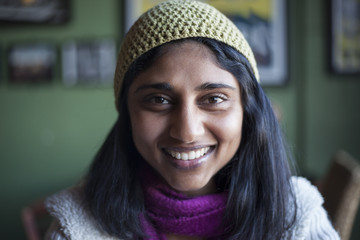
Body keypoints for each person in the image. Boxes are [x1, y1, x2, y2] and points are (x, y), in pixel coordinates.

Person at [45, 0, 340, 239]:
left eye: (213, 99)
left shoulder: (297, 217)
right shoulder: (78, 225)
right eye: (159, 100)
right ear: (127, 111)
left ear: (247, 110)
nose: (187, 131)